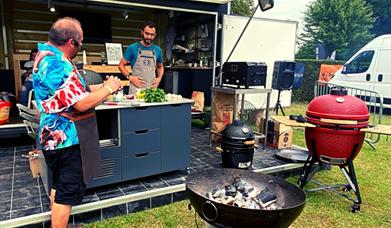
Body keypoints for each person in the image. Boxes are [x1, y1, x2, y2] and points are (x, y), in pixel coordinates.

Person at [32, 17, 121, 228]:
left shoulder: (50, 56)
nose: (79, 47)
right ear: (72, 42)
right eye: (80, 44)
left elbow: (74, 92)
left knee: (59, 186)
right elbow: (80, 103)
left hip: (57, 139)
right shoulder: (55, 64)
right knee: (67, 191)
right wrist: (108, 89)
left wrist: (102, 87)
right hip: (64, 141)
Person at [118, 21, 164, 94]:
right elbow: (121, 65)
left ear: (155, 35)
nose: (149, 37)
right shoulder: (132, 48)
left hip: (151, 91)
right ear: (142, 32)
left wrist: (159, 78)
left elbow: (160, 67)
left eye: (152, 34)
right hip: (136, 90)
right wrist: (130, 77)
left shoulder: (158, 50)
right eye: (147, 33)